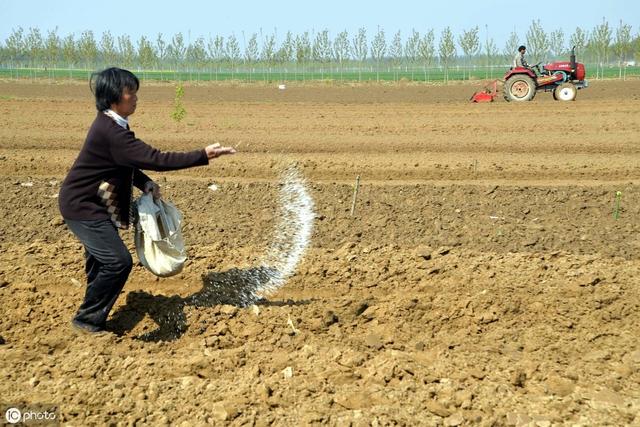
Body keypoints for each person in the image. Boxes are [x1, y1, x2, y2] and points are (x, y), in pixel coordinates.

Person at [58, 67, 236, 335]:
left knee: (100, 261)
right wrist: (203, 154)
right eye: (131, 92)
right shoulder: (111, 131)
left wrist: (144, 182)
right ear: (114, 96)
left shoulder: (111, 124)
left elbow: (122, 162)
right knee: (117, 262)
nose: (136, 97)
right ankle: (87, 320)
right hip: (83, 207)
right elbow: (156, 159)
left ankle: (93, 311)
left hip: (94, 202)